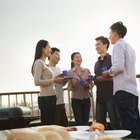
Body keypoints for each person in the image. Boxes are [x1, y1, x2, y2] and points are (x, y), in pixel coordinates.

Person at [102, 21, 140, 138]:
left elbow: (118, 66)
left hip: (123, 90)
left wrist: (107, 73)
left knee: (127, 127)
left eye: (110, 34)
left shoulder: (118, 45)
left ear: (115, 34)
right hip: (132, 91)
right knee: (134, 124)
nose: (109, 37)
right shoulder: (130, 47)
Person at [31, 40, 63, 125]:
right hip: (46, 99)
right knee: (48, 127)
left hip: (51, 98)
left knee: (52, 126)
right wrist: (54, 80)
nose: (50, 50)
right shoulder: (38, 62)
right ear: (43, 49)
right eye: (49, 47)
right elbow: (36, 82)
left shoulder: (44, 63)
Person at [94, 36, 122, 130]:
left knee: (115, 124)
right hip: (99, 98)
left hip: (111, 97)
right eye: (95, 45)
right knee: (99, 126)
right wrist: (93, 79)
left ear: (105, 45)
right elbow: (97, 80)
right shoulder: (96, 64)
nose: (96, 47)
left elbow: (118, 78)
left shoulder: (112, 59)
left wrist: (105, 79)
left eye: (98, 44)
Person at [67, 52, 94, 125]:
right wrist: (74, 82)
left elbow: (91, 84)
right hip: (76, 100)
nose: (79, 58)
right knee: (79, 122)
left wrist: (88, 85)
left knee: (86, 122)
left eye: (80, 57)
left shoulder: (87, 70)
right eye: (76, 57)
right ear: (72, 60)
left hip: (86, 99)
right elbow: (69, 88)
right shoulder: (70, 72)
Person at [48, 47, 68, 127]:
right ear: (50, 54)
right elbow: (45, 83)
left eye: (59, 55)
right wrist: (56, 79)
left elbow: (62, 84)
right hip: (52, 103)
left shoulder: (59, 69)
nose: (58, 57)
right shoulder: (46, 69)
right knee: (55, 127)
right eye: (57, 54)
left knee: (65, 126)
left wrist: (65, 80)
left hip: (61, 101)